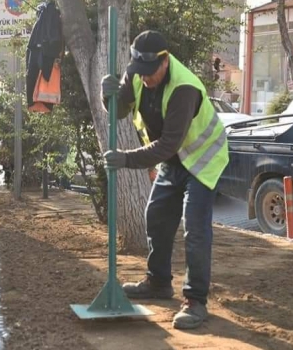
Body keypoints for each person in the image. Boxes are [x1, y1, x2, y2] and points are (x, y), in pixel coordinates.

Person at [101, 30, 229, 330]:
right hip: (174, 161)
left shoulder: (184, 88)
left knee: (195, 229)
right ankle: (158, 282)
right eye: (139, 73)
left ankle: (196, 300)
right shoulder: (137, 73)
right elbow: (119, 111)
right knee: (156, 216)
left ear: (165, 60)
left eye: (150, 73)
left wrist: (126, 159)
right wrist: (108, 96)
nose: (145, 79)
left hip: (202, 161)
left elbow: (168, 144)